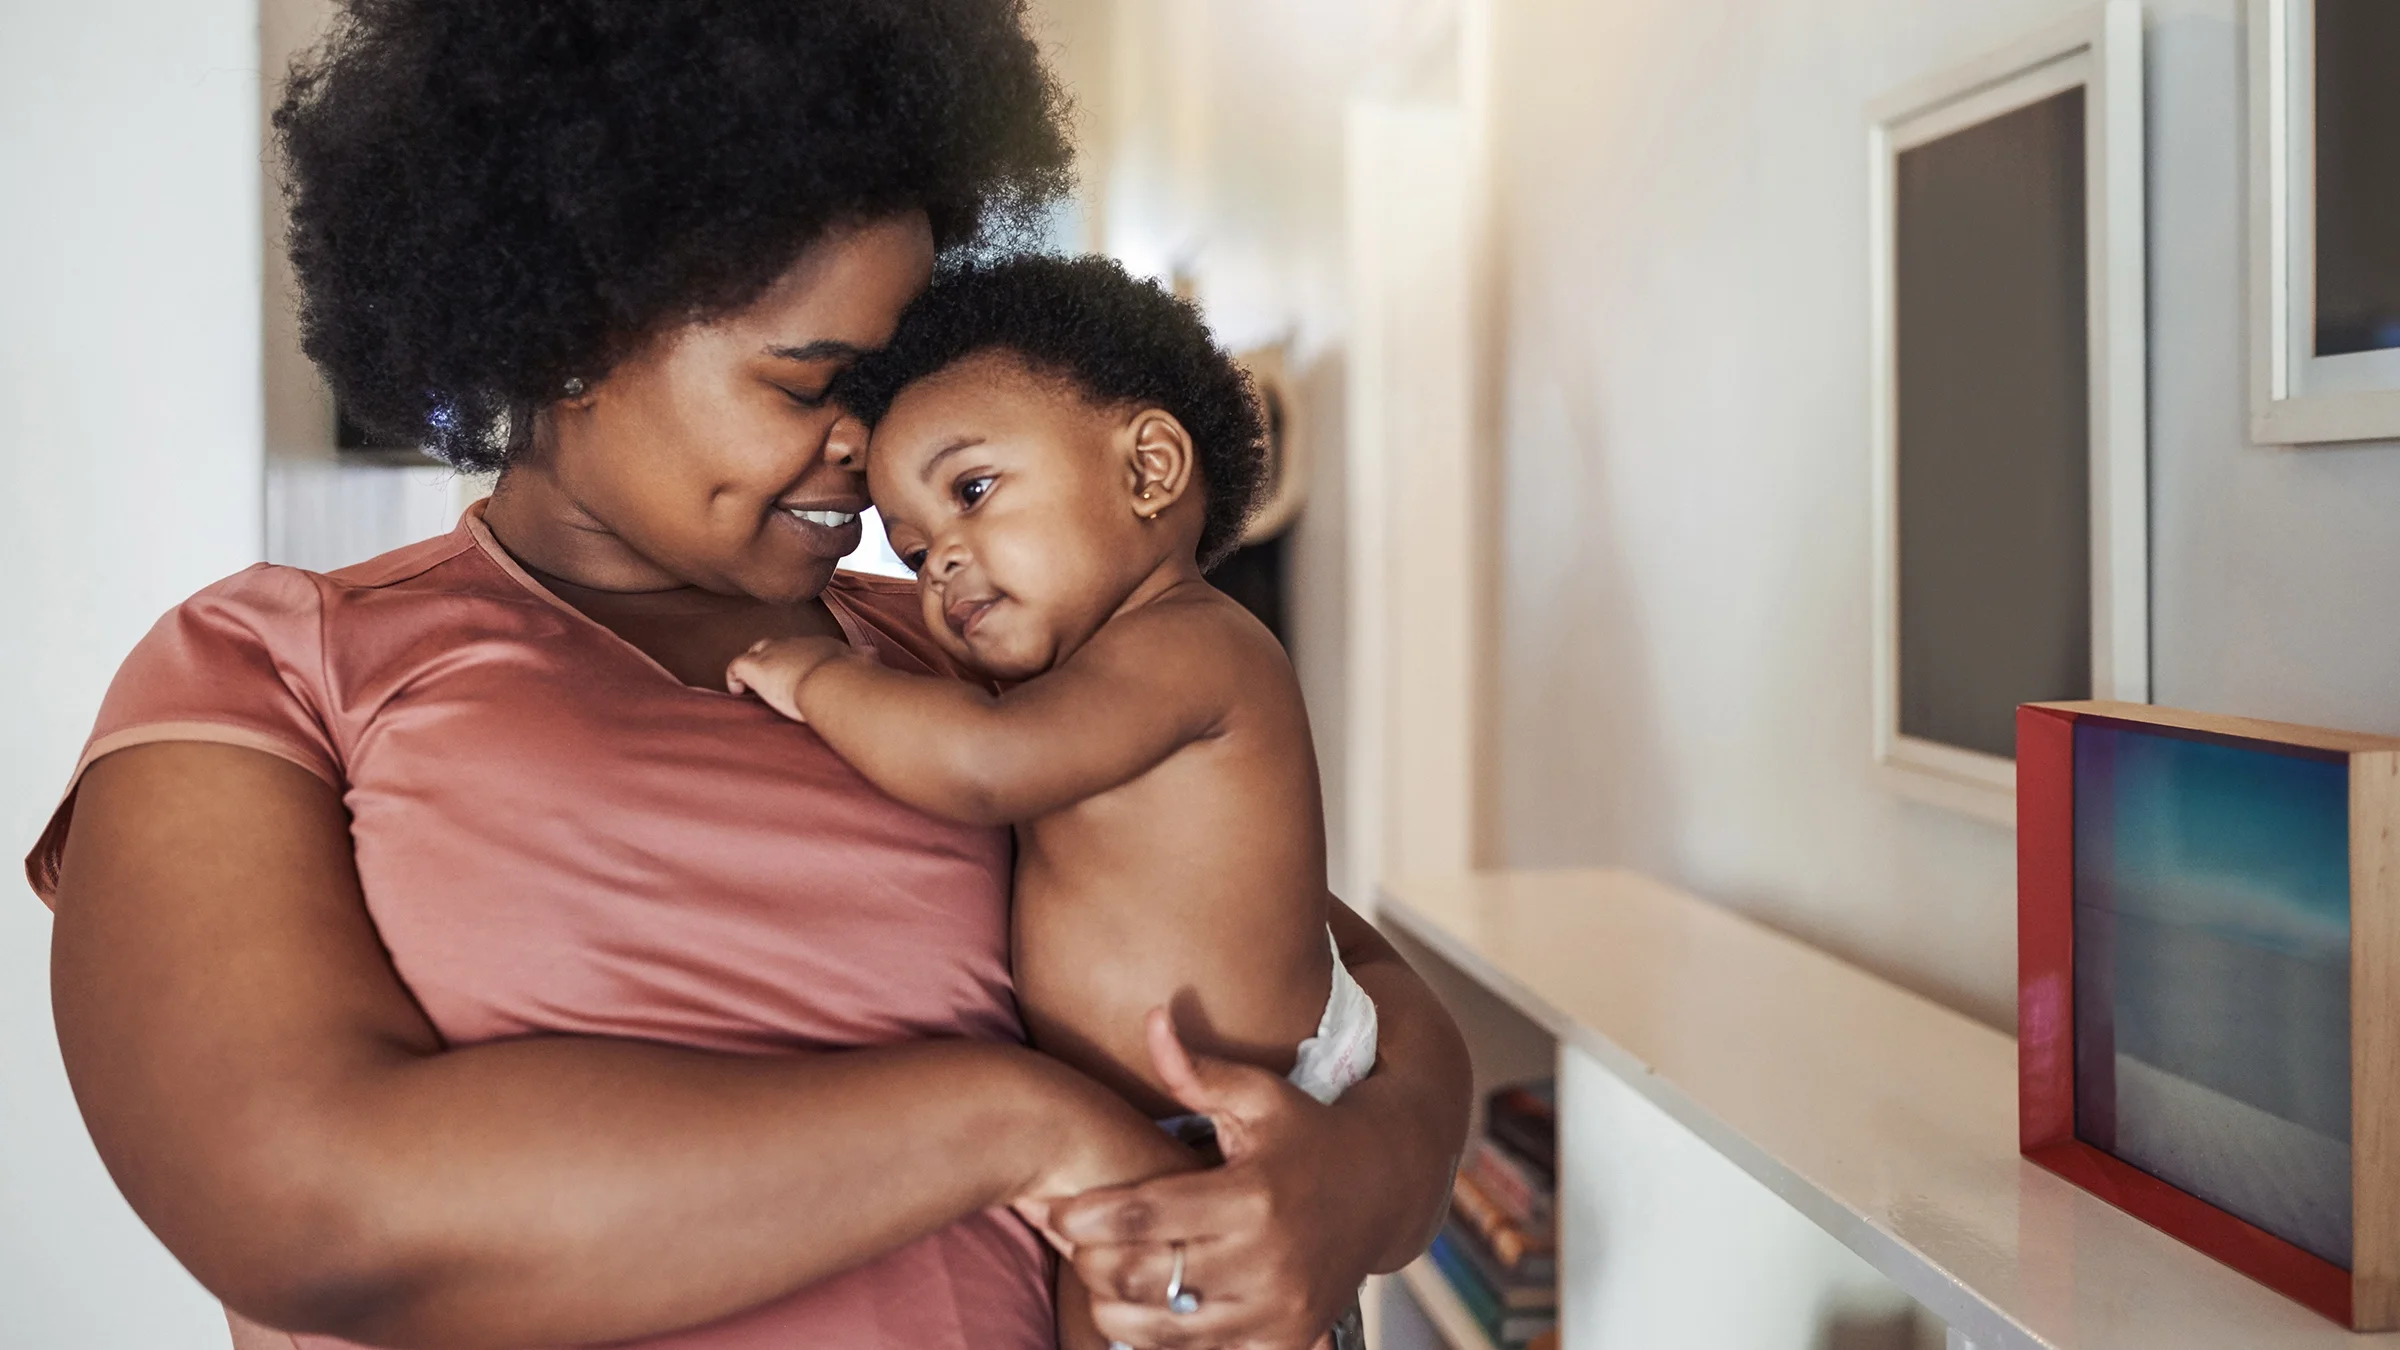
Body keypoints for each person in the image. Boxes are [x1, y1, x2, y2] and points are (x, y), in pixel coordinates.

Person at [28, 4, 1471, 1350]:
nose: (866, 439)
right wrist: (1013, 1122)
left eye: (887, 381)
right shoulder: (271, 667)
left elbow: (1339, 975)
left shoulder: (958, 667)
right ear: (572, 336)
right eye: (806, 379)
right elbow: (309, 1213)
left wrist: (1364, 1181)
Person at [726, 255, 1379, 1347]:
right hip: (1153, 1130)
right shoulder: (1095, 672)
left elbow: (983, 769)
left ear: (1150, 467)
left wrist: (826, 683)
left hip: (1230, 1134)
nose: (942, 566)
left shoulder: (1190, 646)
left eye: (974, 491)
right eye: (916, 546)